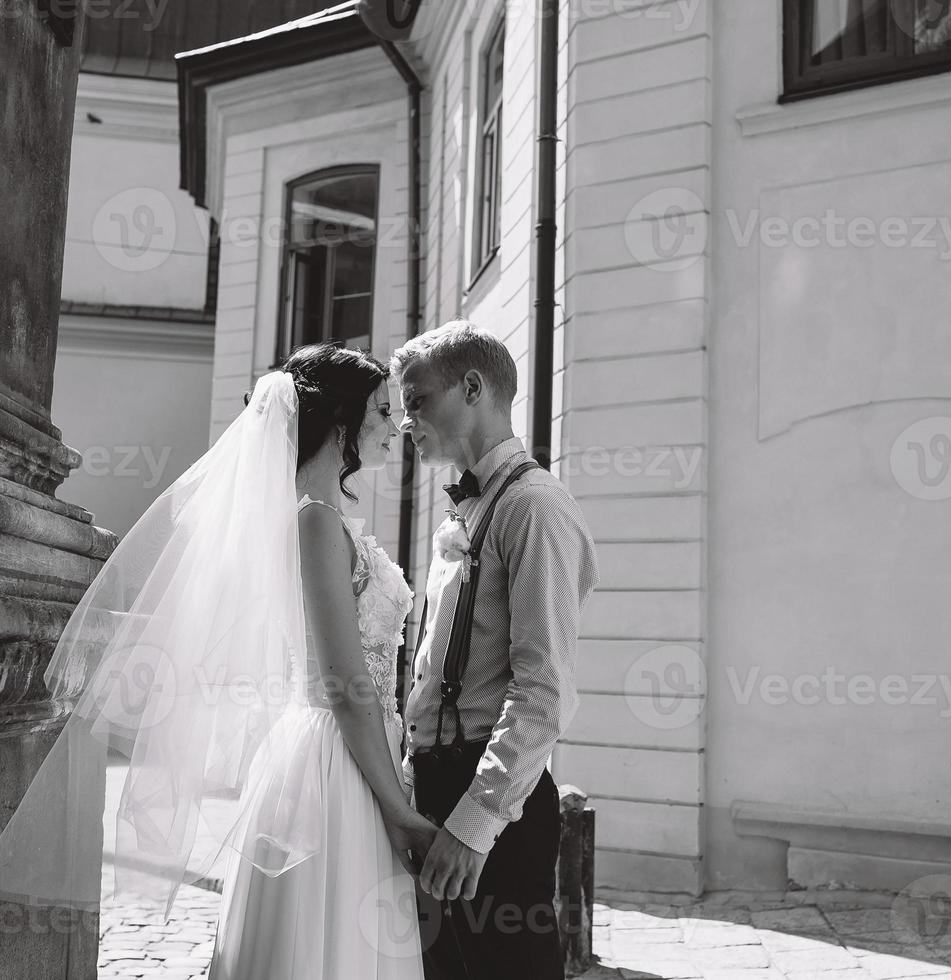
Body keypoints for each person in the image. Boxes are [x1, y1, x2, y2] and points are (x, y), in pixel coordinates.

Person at [0, 341, 434, 979]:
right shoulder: (315, 524)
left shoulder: (322, 520)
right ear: (340, 423)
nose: (393, 427)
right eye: (378, 411)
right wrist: (399, 812)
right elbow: (345, 686)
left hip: (347, 750)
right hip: (335, 761)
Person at [391, 321, 599, 980]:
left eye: (418, 400)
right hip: (434, 784)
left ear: (472, 387)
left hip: (489, 796)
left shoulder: (534, 508)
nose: (405, 421)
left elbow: (544, 690)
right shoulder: (461, 515)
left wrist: (473, 823)